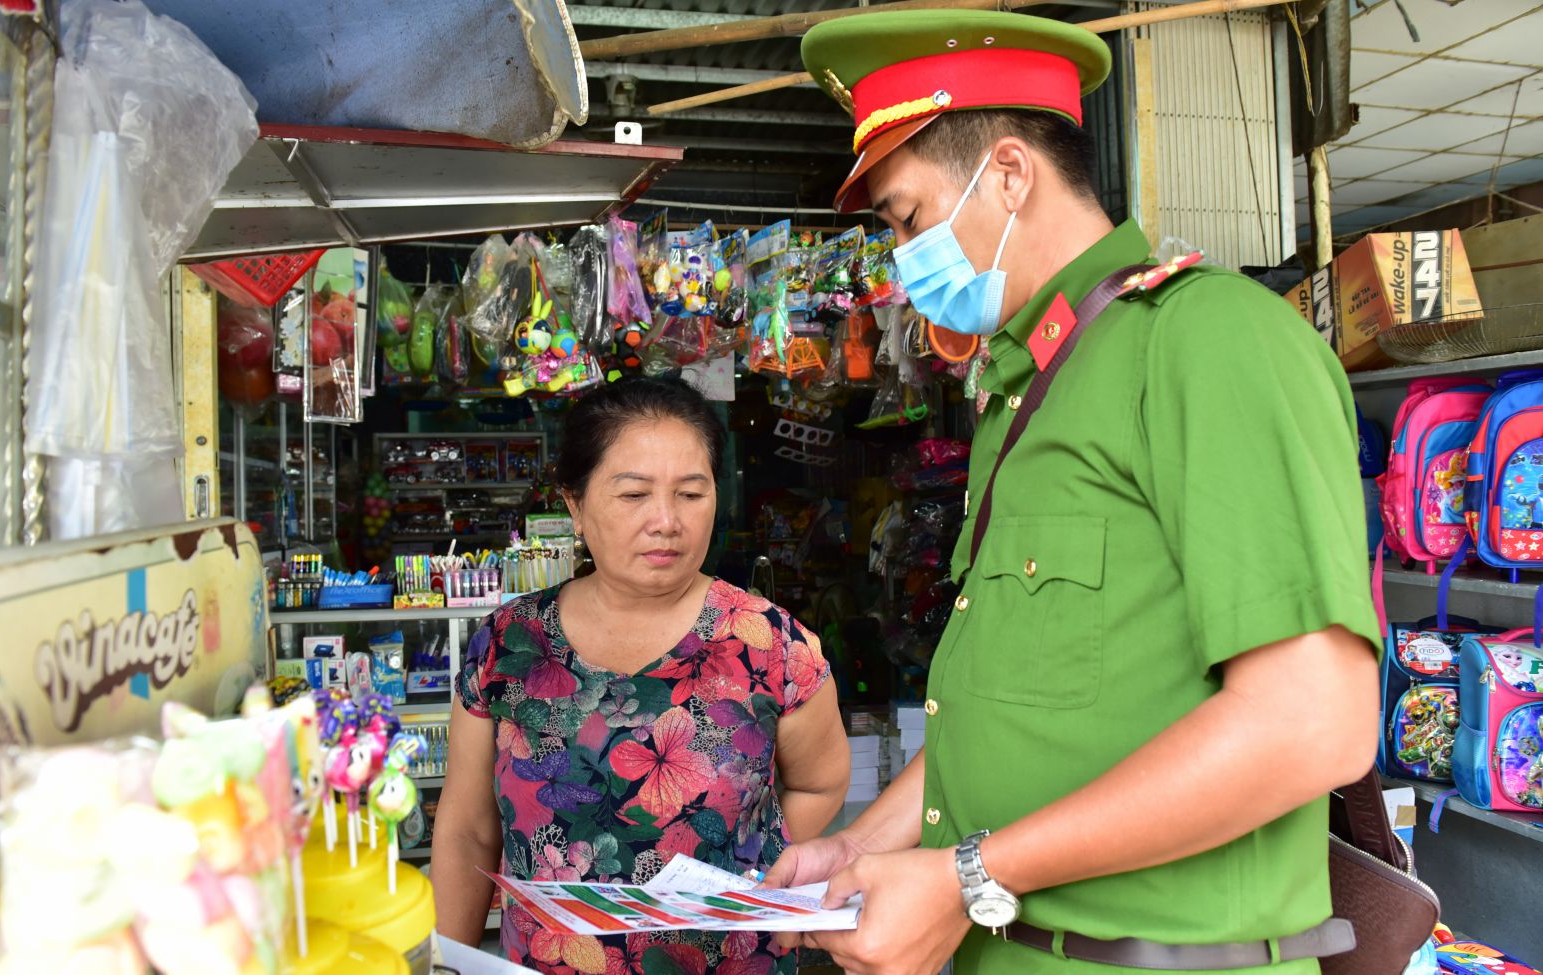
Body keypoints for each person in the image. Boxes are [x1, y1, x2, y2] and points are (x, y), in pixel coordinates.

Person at [768, 10, 1381, 975]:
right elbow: (1014, 711)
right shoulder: (1022, 390)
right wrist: (865, 845)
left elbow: (1314, 722)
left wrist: (970, 875)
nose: (902, 260)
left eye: (909, 219)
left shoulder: (1209, 342)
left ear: (1010, 173)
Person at [431, 375, 851, 975]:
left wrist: (753, 866)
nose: (666, 521)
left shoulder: (771, 642)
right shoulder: (509, 643)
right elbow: (468, 830)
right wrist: (451, 963)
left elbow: (820, 785)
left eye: (691, 493)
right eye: (633, 495)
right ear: (575, 504)